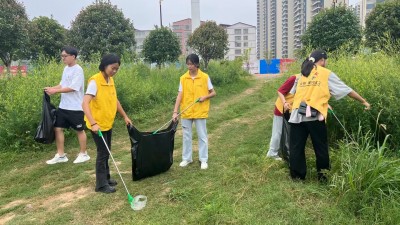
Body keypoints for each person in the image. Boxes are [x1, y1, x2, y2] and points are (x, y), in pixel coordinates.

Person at [289, 50, 371, 182]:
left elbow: (296, 93)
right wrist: (364, 101)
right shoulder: (325, 73)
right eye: (325, 60)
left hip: (296, 114)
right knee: (320, 147)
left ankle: (297, 177)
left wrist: (324, 102)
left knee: (296, 147)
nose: (326, 63)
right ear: (322, 60)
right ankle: (323, 177)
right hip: (314, 116)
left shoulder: (301, 74)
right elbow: (347, 90)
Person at [82, 53, 132, 194]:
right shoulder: (95, 82)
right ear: (104, 65)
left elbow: (115, 100)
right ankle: (101, 185)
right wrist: (93, 123)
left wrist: (125, 116)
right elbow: (85, 104)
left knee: (107, 151)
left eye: (117, 69)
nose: (114, 71)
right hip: (97, 125)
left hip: (107, 123)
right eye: (112, 68)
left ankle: (106, 178)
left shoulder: (110, 80)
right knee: (103, 153)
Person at [45, 46, 89, 165]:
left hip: (76, 107)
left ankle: (84, 154)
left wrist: (56, 92)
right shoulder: (66, 69)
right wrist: (52, 88)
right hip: (63, 106)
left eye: (65, 56)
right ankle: (61, 155)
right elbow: (62, 85)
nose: (63, 58)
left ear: (73, 57)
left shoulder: (78, 70)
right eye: (62, 56)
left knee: (79, 130)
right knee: (58, 128)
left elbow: (73, 88)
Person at [172, 54, 216, 170]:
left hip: (200, 111)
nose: (189, 66)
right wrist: (175, 112)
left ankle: (203, 159)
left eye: (191, 64)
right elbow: (179, 95)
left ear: (197, 64)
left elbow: (213, 93)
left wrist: (205, 97)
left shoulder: (205, 77)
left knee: (202, 136)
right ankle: (187, 158)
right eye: (188, 64)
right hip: (186, 112)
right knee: (186, 136)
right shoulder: (183, 78)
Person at [266, 74, 300, 160]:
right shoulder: (295, 78)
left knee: (289, 132)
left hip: (292, 110)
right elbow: (280, 91)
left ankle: (285, 150)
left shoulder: (309, 80)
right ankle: (272, 153)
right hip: (282, 108)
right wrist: (284, 103)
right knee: (277, 132)